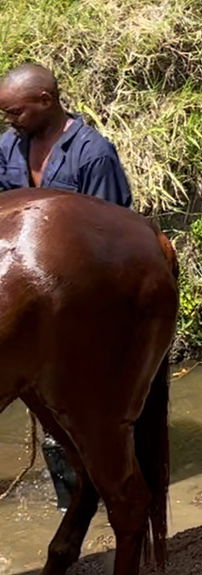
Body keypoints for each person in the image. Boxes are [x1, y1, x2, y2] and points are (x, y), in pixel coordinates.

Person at [0, 62, 134, 512]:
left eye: (16, 112)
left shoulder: (93, 154)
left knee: (83, 406)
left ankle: (104, 493)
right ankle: (72, 505)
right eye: (6, 114)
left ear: (46, 101)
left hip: (83, 301)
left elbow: (110, 231)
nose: (11, 121)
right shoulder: (8, 147)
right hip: (33, 303)